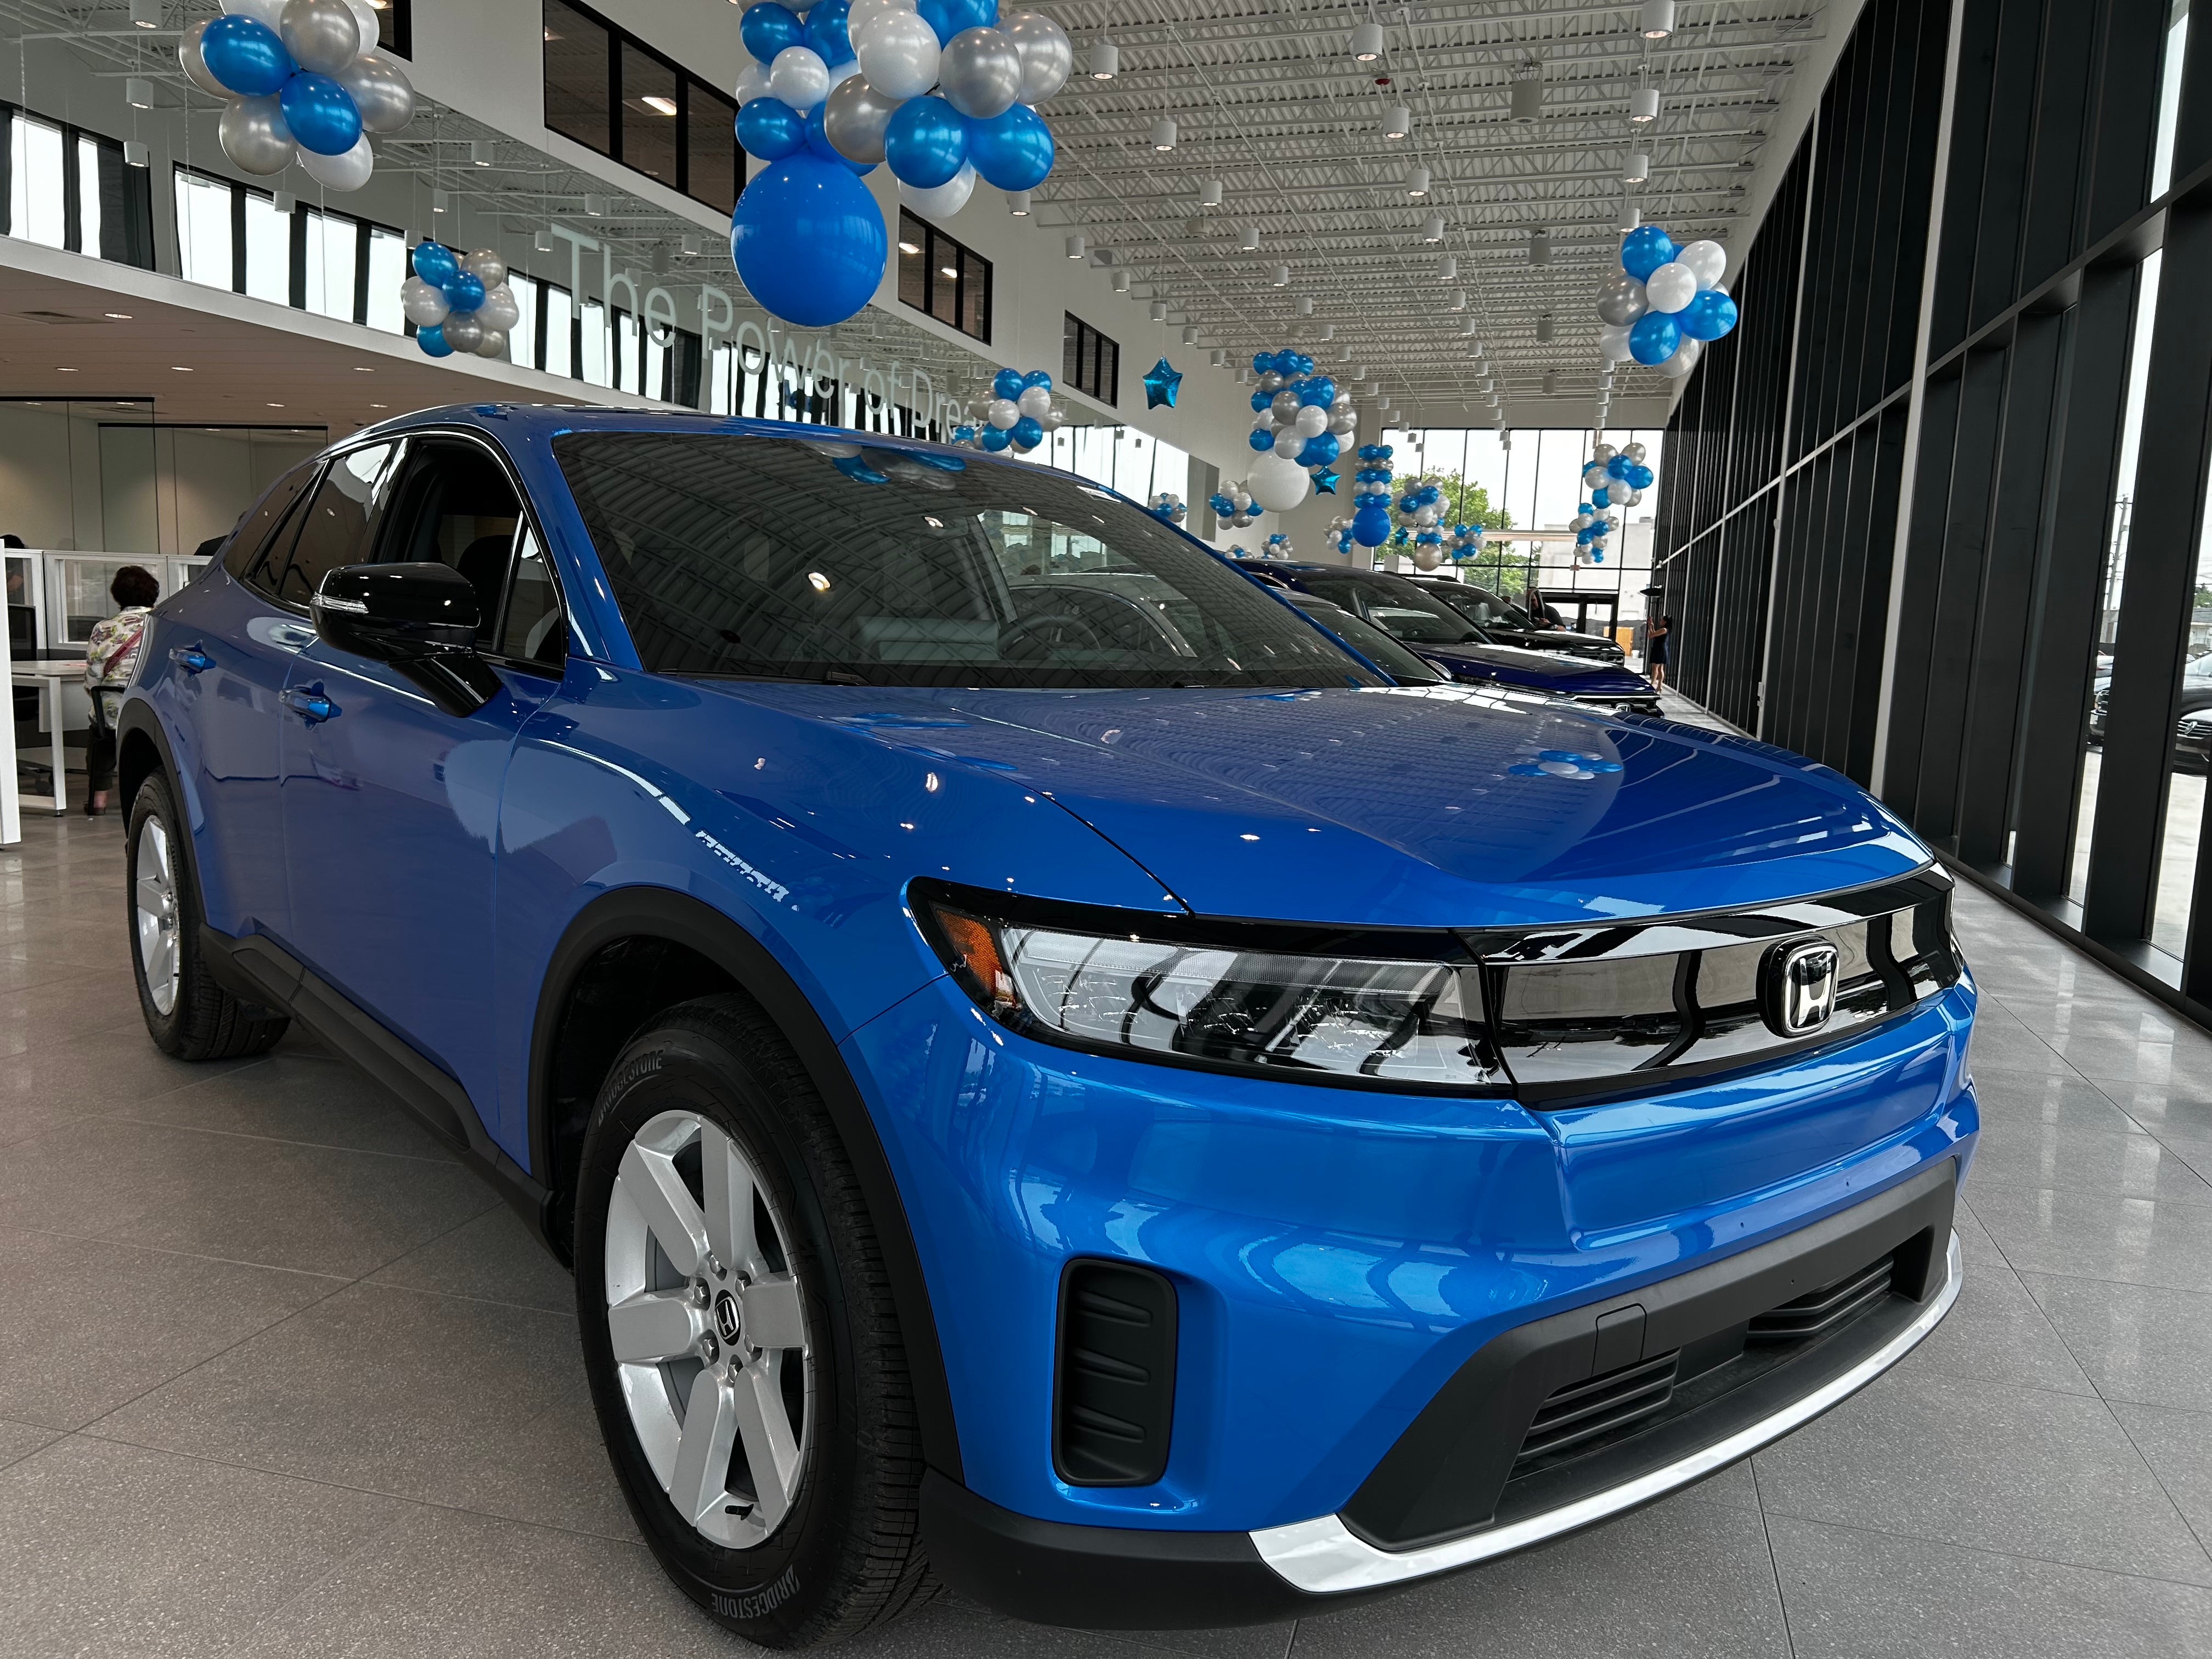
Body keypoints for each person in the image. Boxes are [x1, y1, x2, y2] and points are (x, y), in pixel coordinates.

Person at [81, 565, 160, 816]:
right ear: (154, 594)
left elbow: (94, 680)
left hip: (115, 712)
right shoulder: (165, 625)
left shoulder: (103, 629)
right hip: (154, 710)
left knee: (101, 733)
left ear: (118, 595)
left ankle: (99, 802)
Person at [1646, 613, 1673, 693]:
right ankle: (1659, 686)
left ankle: (1653, 684)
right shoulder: (1663, 629)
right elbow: (1654, 634)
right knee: (1659, 668)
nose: (1660, 621)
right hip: (1659, 649)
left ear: (1665, 622)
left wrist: (1651, 627)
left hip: (1660, 649)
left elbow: (1652, 635)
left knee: (1655, 667)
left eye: (1661, 620)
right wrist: (1651, 626)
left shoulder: (1664, 629)